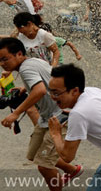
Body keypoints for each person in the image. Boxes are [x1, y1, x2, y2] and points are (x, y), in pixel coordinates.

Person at [0, 38, 83, 190]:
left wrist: (15, 113)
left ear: (19, 54)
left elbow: (40, 90)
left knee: (44, 166)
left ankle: (59, 183)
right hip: (46, 119)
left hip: (60, 117)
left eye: (5, 59)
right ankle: (71, 170)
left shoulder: (26, 69)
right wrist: (25, 88)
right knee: (35, 154)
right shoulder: (32, 62)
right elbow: (47, 80)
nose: (2, 64)